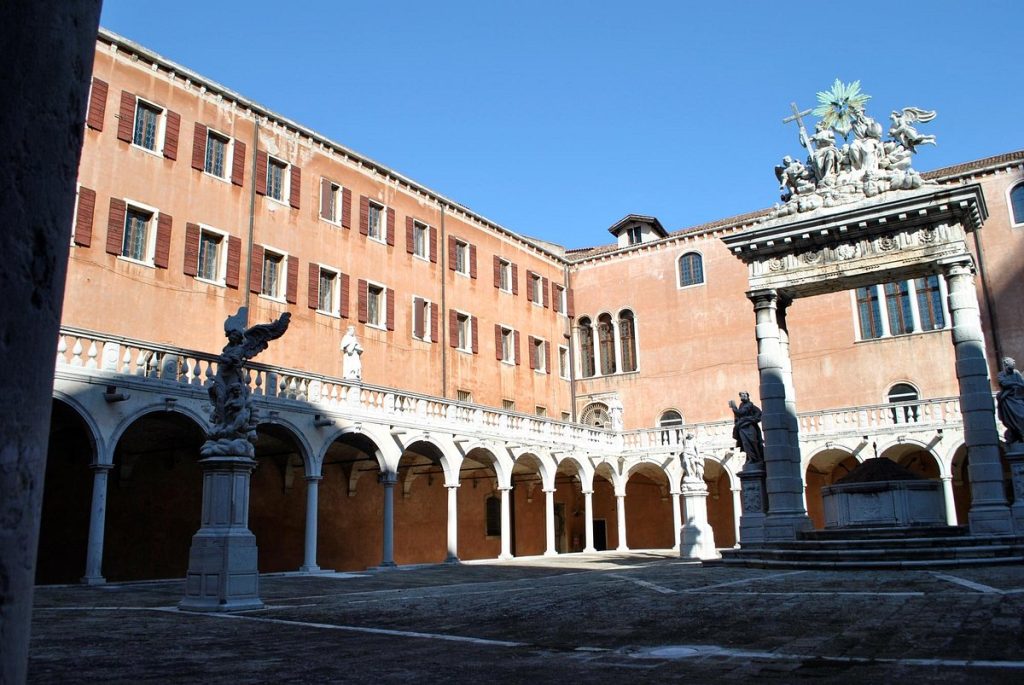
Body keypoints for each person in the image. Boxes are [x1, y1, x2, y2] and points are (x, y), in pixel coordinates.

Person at [729, 391, 764, 463]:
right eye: (741, 395)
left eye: (744, 394)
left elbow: (741, 413)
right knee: (745, 444)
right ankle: (750, 458)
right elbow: (738, 416)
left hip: (749, 426)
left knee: (753, 442)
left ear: (748, 396)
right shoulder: (741, 405)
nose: (743, 396)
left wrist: (733, 407)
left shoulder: (749, 404)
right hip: (742, 427)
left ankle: (757, 458)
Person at [997, 357, 1024, 444]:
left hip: (1017, 397)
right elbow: (1004, 383)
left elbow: (1022, 384)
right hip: (1007, 399)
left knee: (1022, 415)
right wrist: (1016, 383)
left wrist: (1018, 384)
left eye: (1013, 363)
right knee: (1011, 419)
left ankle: (1019, 433)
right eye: (1012, 363)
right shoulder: (1001, 374)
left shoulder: (1016, 373)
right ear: (1006, 364)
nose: (1013, 364)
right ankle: (1016, 433)